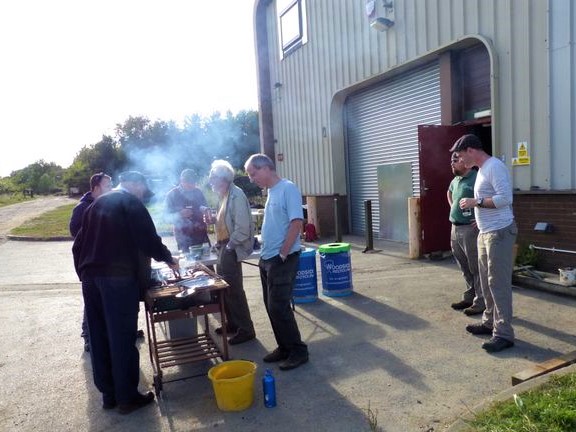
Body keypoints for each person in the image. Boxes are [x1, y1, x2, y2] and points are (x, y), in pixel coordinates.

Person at [72, 171, 179, 414]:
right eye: (142, 187)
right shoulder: (129, 201)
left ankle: (109, 395)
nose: (143, 192)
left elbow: (78, 245)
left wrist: (85, 274)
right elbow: (148, 239)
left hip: (91, 279)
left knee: (99, 336)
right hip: (117, 279)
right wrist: (169, 259)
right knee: (121, 336)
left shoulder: (95, 204)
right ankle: (127, 397)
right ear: (134, 184)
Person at [450, 134, 517, 353]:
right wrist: (478, 219)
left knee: (498, 284)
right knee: (487, 283)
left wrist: (475, 202)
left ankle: (504, 334)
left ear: (471, 150)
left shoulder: (494, 167)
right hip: (485, 233)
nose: (459, 160)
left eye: (460, 155)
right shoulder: (481, 171)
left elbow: (506, 199)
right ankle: (489, 322)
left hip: (499, 234)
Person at [244, 153, 309, 371]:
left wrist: (282, 253)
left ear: (265, 168)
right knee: (270, 306)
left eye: (253, 173)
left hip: (283, 259)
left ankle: (299, 351)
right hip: (267, 258)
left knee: (279, 306)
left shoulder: (288, 188)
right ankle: (284, 347)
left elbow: (296, 222)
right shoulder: (271, 192)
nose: (252, 179)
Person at [208, 160, 256, 345]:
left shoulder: (236, 195)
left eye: (213, 178)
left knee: (234, 290)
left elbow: (243, 228)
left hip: (231, 246)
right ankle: (234, 324)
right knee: (225, 289)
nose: (210, 181)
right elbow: (225, 222)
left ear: (223, 179)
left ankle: (246, 329)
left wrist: (229, 247)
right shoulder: (224, 195)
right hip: (224, 246)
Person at [69, 172, 113, 352]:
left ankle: (111, 331)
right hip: (90, 264)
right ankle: (88, 336)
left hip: (106, 262)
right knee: (92, 301)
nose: (111, 189)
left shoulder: (106, 204)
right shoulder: (82, 207)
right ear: (96, 187)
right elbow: (74, 232)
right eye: (108, 186)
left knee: (106, 299)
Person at [447, 153, 485, 316]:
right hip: (455, 228)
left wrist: (480, 217)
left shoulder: (478, 178)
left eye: (455, 161)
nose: (452, 164)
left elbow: (488, 198)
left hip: (470, 230)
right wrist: (453, 207)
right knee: (463, 265)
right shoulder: (455, 180)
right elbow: (448, 193)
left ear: (465, 162)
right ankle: (470, 296)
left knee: (475, 266)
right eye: (451, 161)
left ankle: (481, 302)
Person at [164, 168, 210, 252]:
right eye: (188, 182)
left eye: (193, 182)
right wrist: (179, 215)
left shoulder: (198, 192)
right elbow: (166, 217)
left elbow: (204, 206)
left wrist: (205, 210)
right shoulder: (172, 195)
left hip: (201, 234)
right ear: (182, 180)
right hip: (183, 237)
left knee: (207, 262)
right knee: (188, 263)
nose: (191, 185)